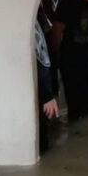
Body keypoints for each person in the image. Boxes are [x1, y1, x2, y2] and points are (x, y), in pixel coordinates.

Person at [35, 21, 60, 153]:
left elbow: (42, 59)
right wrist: (47, 96)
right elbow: (41, 60)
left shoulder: (37, 22)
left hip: (40, 86)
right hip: (39, 88)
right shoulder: (32, 24)